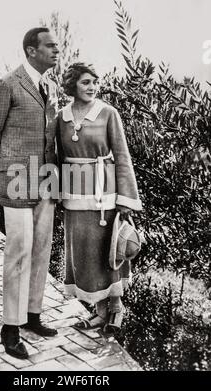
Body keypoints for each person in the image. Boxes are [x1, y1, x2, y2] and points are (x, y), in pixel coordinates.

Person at [0, 27, 59, 359]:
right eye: (49, 46)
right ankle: (10, 328)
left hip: (45, 178)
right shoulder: (6, 85)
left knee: (42, 246)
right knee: (19, 251)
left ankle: (32, 315)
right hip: (15, 179)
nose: (56, 50)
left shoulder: (51, 87)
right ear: (31, 50)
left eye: (56, 45)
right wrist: (5, 167)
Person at [56, 62, 142, 331]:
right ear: (72, 85)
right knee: (85, 255)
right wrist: (56, 193)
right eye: (85, 82)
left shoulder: (108, 113)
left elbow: (123, 156)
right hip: (74, 197)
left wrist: (125, 200)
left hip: (105, 197)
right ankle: (99, 311)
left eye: (94, 82)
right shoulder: (61, 117)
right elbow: (57, 158)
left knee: (110, 252)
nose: (92, 87)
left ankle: (117, 309)